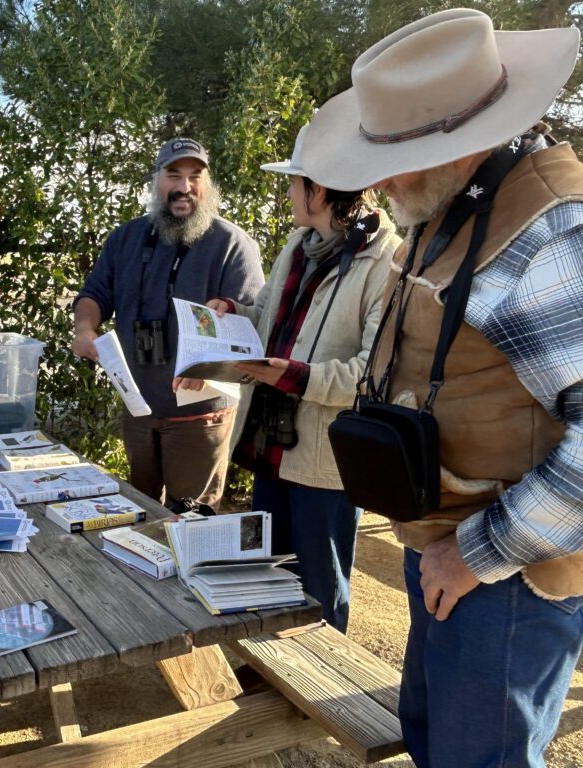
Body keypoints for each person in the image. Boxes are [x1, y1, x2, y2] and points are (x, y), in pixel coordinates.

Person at [299, 9, 583, 766]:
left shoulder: (550, 230)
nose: (380, 181)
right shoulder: (459, 203)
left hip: (507, 577)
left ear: (465, 144)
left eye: (401, 158)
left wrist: (476, 554)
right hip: (455, 556)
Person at [206, 124, 400, 632]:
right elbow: (267, 316)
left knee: (319, 591)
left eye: (295, 181)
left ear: (320, 189)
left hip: (326, 465)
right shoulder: (297, 245)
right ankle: (271, 682)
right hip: (273, 447)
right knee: (270, 578)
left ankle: (316, 701)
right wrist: (232, 313)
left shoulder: (387, 263)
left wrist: (294, 376)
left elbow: (372, 375)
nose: (288, 191)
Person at [71, 138, 264, 509]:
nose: (184, 187)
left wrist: (209, 364)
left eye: (195, 176)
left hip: (200, 415)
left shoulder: (231, 244)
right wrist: (84, 329)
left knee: (193, 521)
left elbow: (250, 324)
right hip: (138, 408)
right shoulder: (126, 238)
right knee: (140, 514)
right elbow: (94, 294)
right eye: (173, 174)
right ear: (156, 180)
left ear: (208, 185)